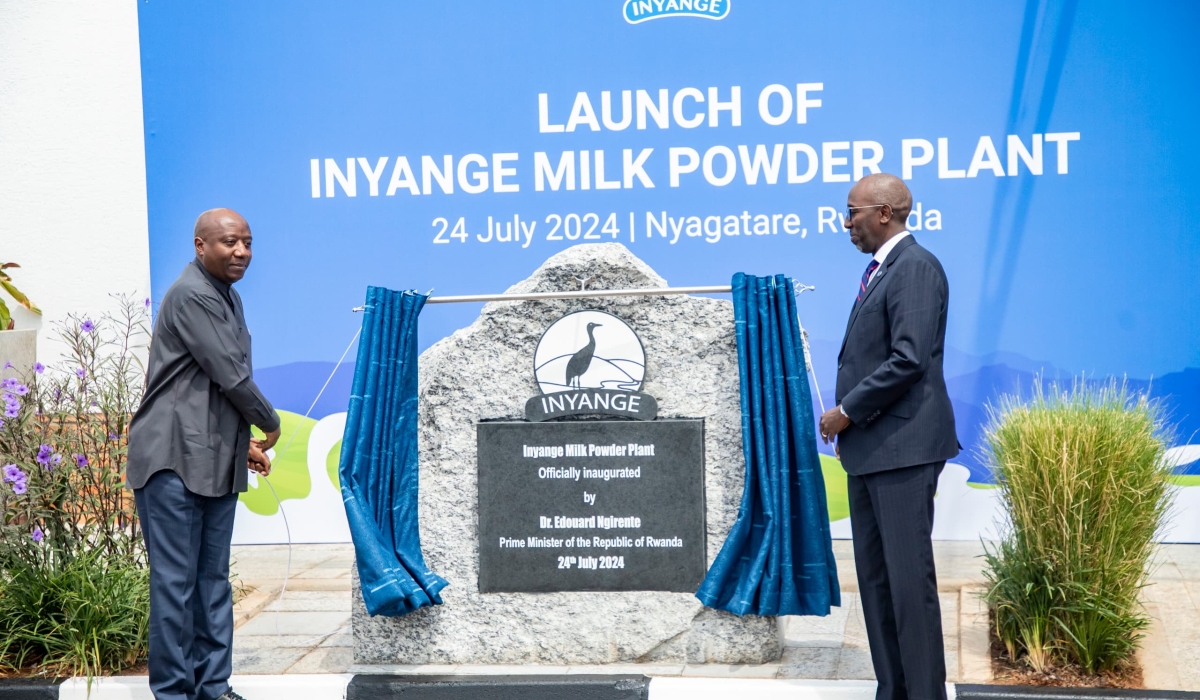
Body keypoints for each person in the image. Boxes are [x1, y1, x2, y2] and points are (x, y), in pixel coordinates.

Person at [127, 208, 281, 700]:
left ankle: (213, 688)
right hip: (170, 461)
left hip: (213, 457)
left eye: (248, 243)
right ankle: (174, 693)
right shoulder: (192, 295)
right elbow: (230, 375)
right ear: (200, 246)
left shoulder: (227, 297)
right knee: (176, 585)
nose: (241, 252)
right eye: (229, 242)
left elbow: (209, 391)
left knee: (212, 582)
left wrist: (245, 445)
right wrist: (270, 422)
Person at [818, 174, 959, 700]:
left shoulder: (915, 268)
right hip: (872, 454)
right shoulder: (880, 271)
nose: (845, 222)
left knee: (907, 583)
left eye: (850, 211)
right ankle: (892, 690)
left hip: (903, 450)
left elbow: (909, 359)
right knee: (877, 585)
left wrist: (846, 413)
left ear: (884, 213)